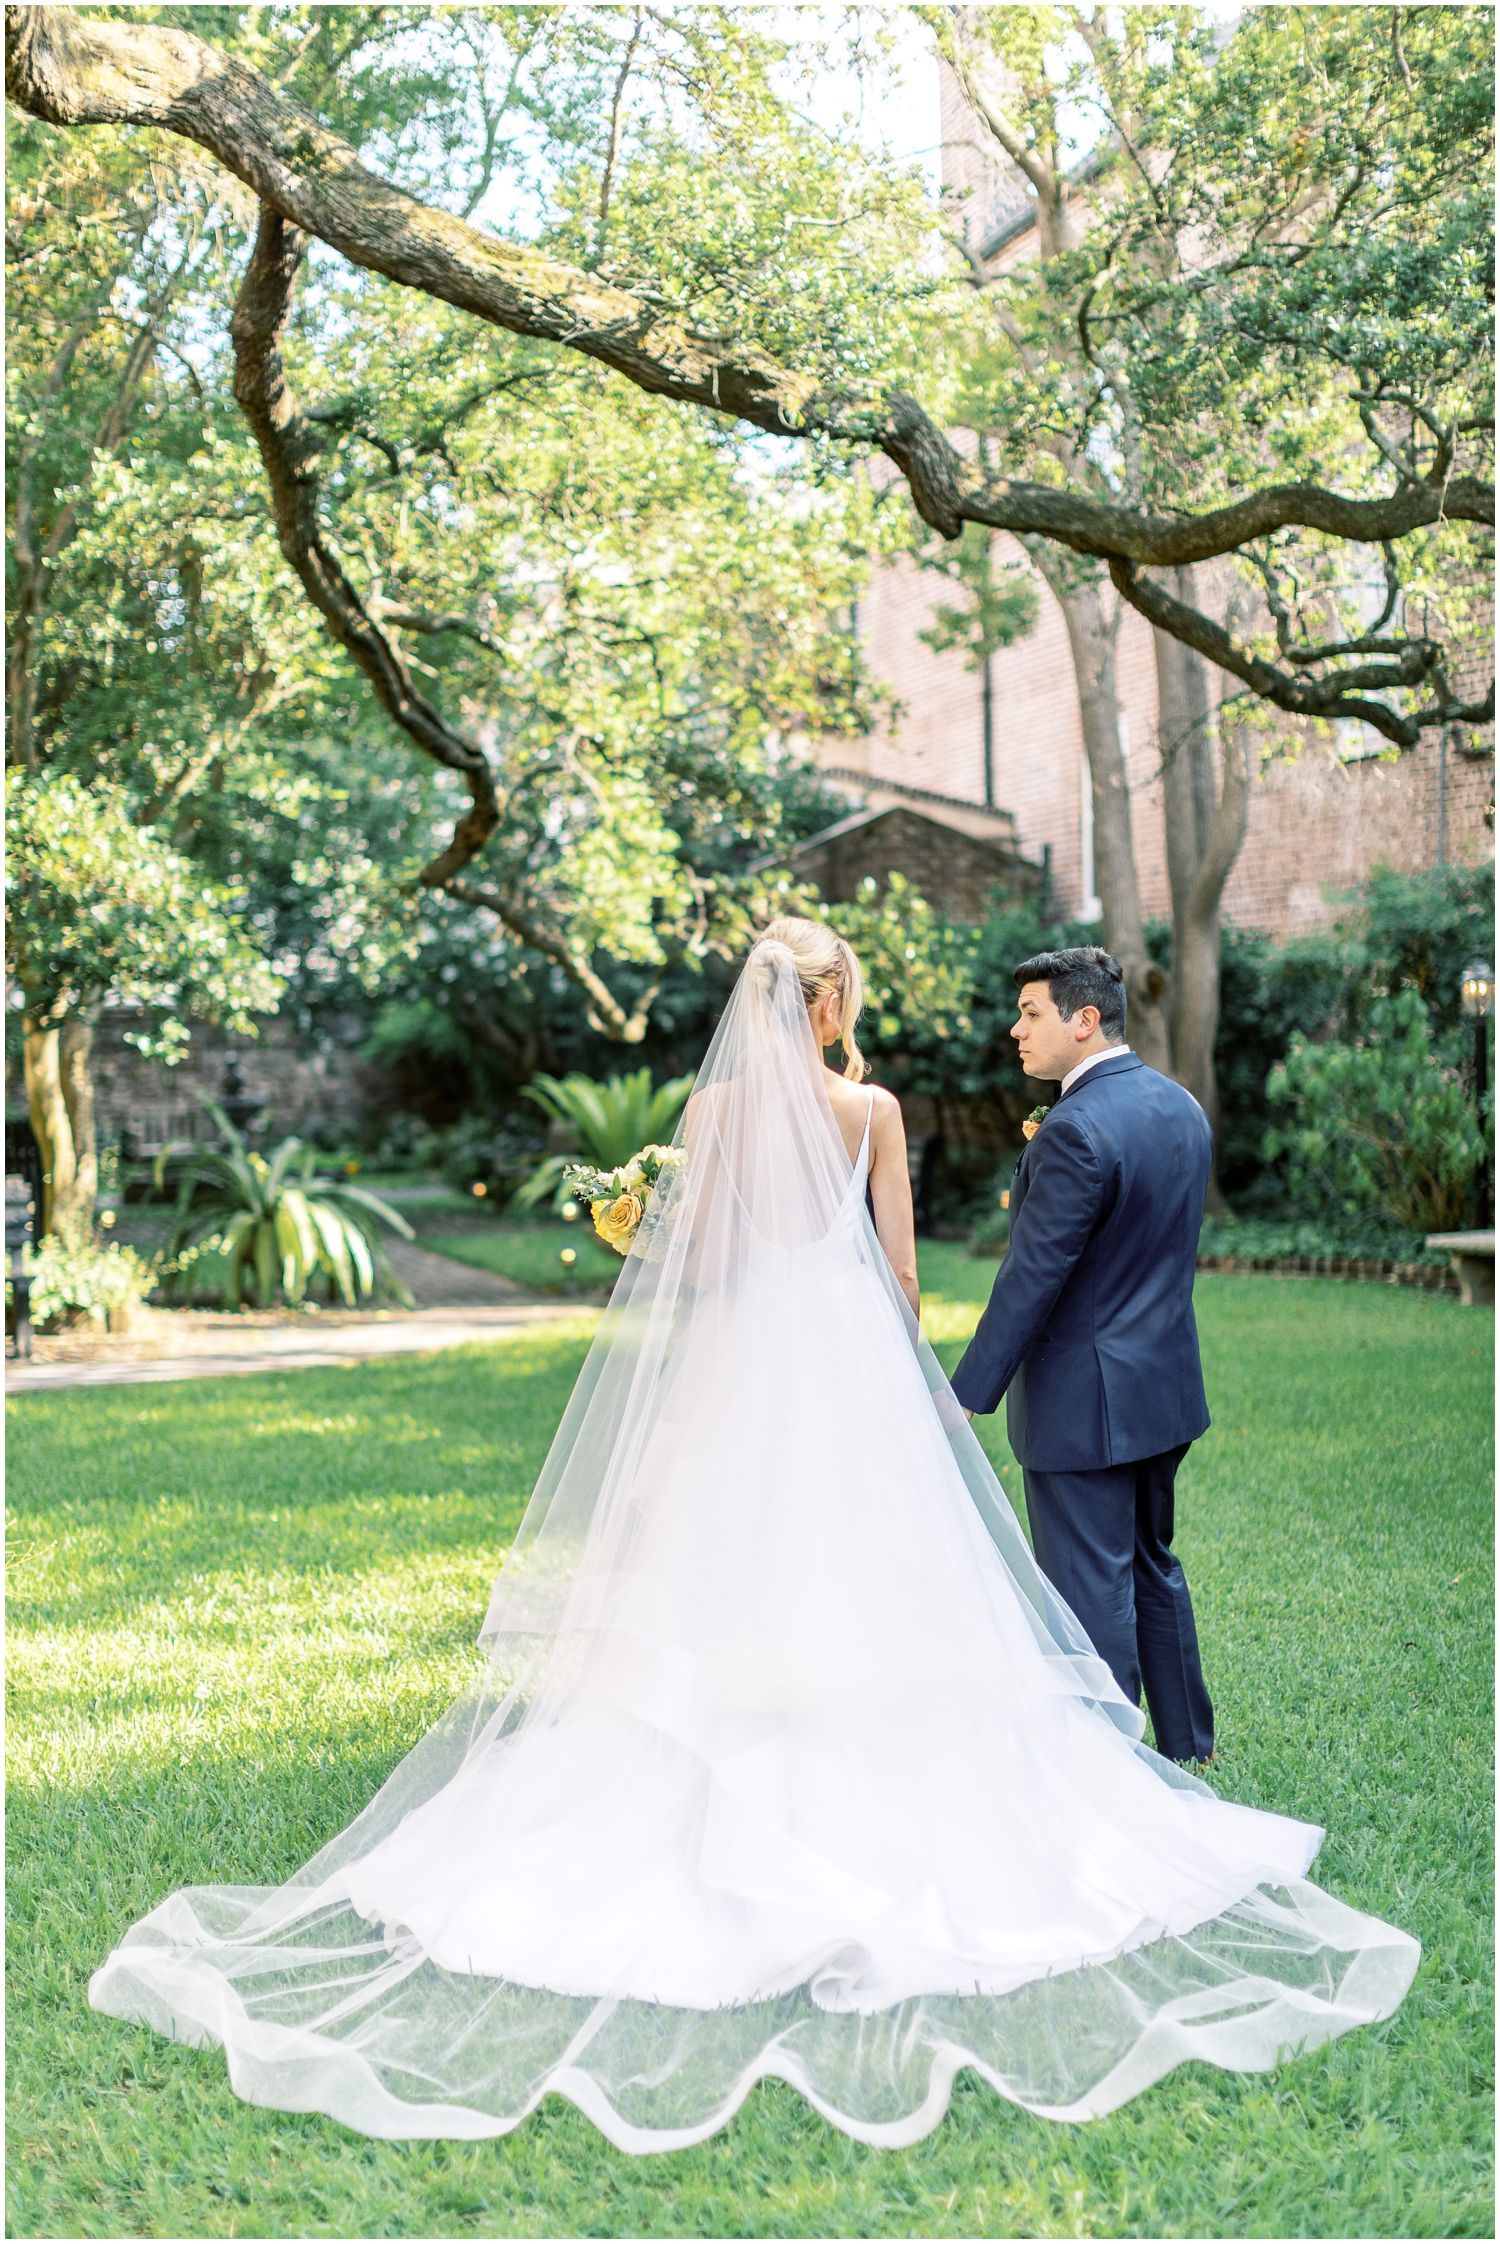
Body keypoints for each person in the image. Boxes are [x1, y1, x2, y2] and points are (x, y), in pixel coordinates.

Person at [90, 917, 1418, 2153]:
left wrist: (638, 1221)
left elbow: (699, 1262)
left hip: (736, 1373)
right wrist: (901, 1391)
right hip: (844, 1368)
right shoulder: (874, 1109)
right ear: (831, 1004)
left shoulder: (716, 1110)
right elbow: (899, 1278)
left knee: (706, 1586)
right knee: (883, 1586)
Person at [952, 946, 1216, 1764]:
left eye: (1031, 1014)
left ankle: (1106, 1761)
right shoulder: (1180, 1107)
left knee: (1088, 1583)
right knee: (1149, 1563)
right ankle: (1188, 1743)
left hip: (1085, 1400)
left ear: (1084, 1019)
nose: (1015, 1030)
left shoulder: (1073, 1129)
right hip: (1164, 1388)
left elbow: (1034, 1277)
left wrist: (965, 1394)